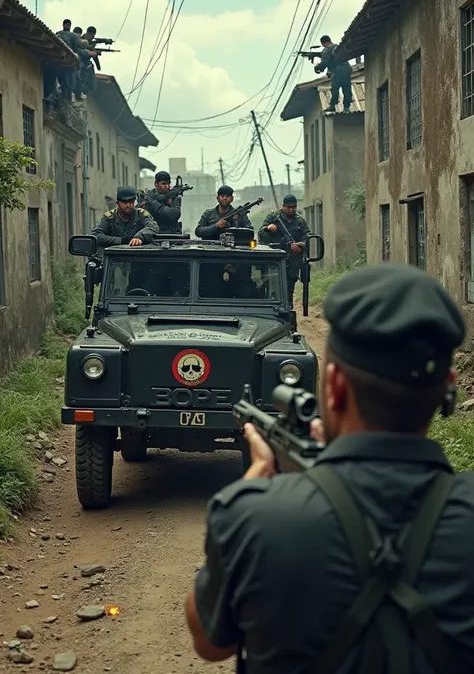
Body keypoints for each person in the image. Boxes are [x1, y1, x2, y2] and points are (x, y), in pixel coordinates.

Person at [185, 262, 474, 674]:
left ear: (335, 386)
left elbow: (209, 642)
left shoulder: (252, 516)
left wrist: (251, 494)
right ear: (446, 388)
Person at [258, 194, 310, 307]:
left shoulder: (300, 221)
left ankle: (288, 310)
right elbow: (261, 235)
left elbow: (308, 237)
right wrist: (268, 228)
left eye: (294, 207)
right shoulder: (273, 217)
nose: (291, 210)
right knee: (269, 287)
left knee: (288, 290)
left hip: (292, 261)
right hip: (273, 261)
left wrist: (300, 245)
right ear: (283, 206)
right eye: (288, 207)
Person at [91, 185, 159, 249]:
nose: (128, 205)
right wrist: (120, 240)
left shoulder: (141, 214)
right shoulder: (110, 217)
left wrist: (140, 237)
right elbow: (96, 235)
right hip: (115, 256)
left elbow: (153, 227)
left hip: (138, 255)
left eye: (131, 202)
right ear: (117, 203)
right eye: (125, 202)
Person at [315, 35, 352, 115]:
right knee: (347, 89)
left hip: (337, 71)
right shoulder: (337, 47)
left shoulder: (327, 49)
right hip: (346, 69)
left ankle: (332, 105)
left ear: (323, 43)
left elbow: (324, 62)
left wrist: (318, 68)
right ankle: (346, 107)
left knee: (335, 88)